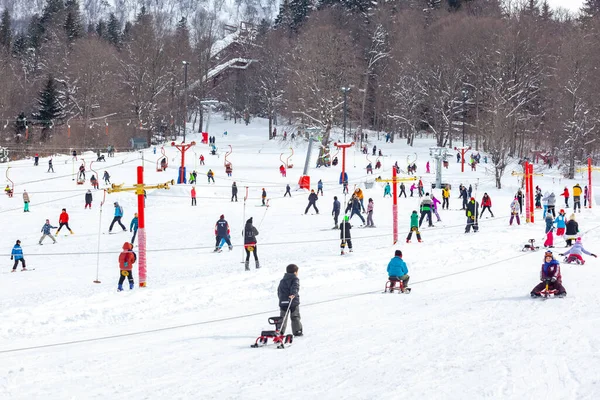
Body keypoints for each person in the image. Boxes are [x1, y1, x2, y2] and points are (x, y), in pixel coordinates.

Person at [277, 264, 302, 336]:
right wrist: (293, 294)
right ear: (295, 272)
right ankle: (297, 331)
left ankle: (280, 330)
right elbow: (295, 287)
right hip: (293, 301)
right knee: (295, 316)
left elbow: (279, 291)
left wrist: (281, 299)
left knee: (283, 317)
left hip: (283, 302)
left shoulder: (282, 280)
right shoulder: (295, 279)